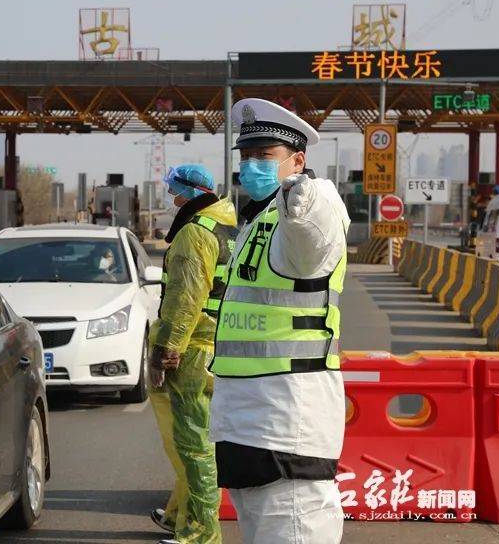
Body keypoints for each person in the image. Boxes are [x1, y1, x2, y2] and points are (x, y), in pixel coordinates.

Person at [210, 98, 350, 544]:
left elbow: (313, 236)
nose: (252, 165)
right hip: (246, 424)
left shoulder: (303, 209)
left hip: (289, 424)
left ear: (298, 160)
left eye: (264, 156)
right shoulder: (258, 221)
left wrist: (305, 197)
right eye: (246, 156)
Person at [148, 164, 238, 544]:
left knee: (194, 445)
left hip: (193, 350)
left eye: (177, 191)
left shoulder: (194, 235)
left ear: (192, 192)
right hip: (220, 346)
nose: (173, 199)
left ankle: (201, 533)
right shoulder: (230, 228)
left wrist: (166, 355)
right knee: (196, 440)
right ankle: (179, 515)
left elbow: (184, 303)